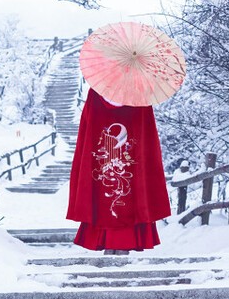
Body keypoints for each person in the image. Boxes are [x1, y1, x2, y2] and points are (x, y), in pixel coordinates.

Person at [66, 88, 171, 253]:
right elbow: (146, 134)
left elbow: (88, 125)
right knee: (129, 193)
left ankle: (105, 240)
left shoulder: (96, 92)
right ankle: (126, 241)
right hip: (132, 163)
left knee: (103, 193)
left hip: (101, 163)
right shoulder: (140, 94)